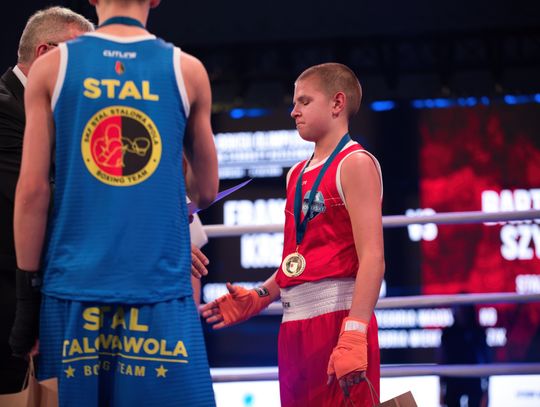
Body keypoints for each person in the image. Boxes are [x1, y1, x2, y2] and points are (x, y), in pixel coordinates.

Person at [10, 0, 218, 405]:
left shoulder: (51, 67)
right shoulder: (187, 70)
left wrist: (26, 303)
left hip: (72, 291)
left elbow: (32, 191)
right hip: (158, 289)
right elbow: (205, 191)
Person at [202, 62, 385, 407]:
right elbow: (298, 261)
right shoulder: (296, 175)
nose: (293, 111)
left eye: (304, 101)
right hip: (293, 328)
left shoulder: (356, 163)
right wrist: (259, 295)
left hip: (339, 321)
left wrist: (355, 331)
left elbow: (373, 257)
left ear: (337, 103)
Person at [0, 6, 94, 394]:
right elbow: (42, 197)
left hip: (48, 296)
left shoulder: (57, 116)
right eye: (80, 61)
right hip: (10, 303)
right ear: (44, 54)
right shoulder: (4, 109)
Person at [438, 304, 491, 407]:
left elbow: (487, 358)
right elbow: (441, 359)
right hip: (452, 380)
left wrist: (487, 391)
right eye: (459, 308)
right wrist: (440, 390)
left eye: (465, 308)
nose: (462, 312)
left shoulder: (478, 332)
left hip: (474, 379)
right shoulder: (448, 333)